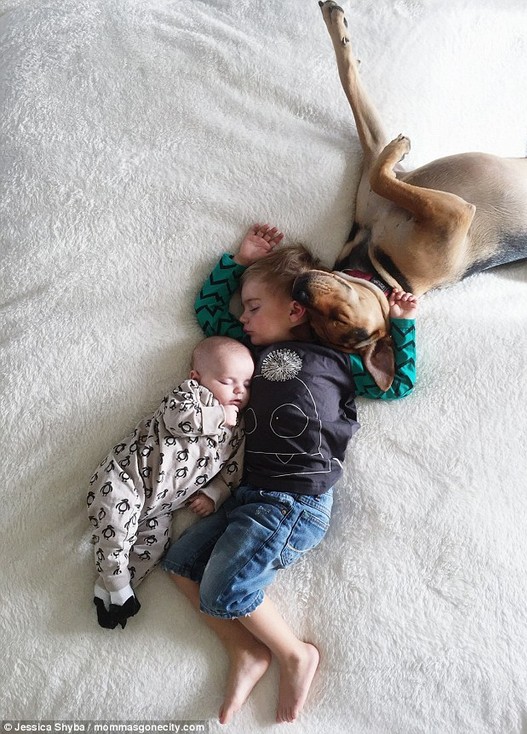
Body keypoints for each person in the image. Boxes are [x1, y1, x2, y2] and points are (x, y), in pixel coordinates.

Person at [162, 224, 418, 723]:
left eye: (254, 307)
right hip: (253, 495)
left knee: (224, 590)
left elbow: (396, 385)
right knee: (181, 563)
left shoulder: (339, 360)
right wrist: (238, 261)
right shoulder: (251, 352)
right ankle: (247, 650)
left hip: (296, 499)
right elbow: (209, 317)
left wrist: (404, 323)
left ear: (296, 310)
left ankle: (294, 654)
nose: (244, 318)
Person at [87, 335, 254, 630]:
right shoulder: (189, 395)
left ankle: (109, 590)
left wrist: (215, 494)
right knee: (116, 528)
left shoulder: (237, 428)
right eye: (229, 381)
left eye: (247, 384)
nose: (239, 391)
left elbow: (234, 468)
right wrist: (218, 414)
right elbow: (178, 419)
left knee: (153, 547)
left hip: (161, 507)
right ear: (197, 377)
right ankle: (118, 586)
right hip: (125, 478)